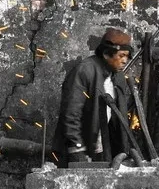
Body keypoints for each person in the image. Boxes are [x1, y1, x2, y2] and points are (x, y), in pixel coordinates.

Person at [52, 28, 133, 167]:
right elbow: (71, 113)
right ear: (107, 54)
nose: (125, 61)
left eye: (127, 56)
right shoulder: (85, 71)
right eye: (121, 55)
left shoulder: (118, 76)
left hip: (103, 144)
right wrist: (77, 148)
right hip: (81, 146)